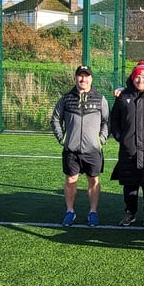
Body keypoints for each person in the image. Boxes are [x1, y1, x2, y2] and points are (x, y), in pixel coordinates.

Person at [50, 65, 109, 227]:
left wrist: (101, 140)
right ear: (75, 78)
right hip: (71, 150)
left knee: (93, 180)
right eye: (80, 76)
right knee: (70, 179)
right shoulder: (66, 98)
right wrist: (63, 139)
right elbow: (55, 120)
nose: (83, 79)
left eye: (86, 76)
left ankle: (93, 212)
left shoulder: (99, 98)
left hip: (93, 150)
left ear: (91, 79)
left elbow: (107, 122)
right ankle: (70, 211)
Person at [110, 61, 144, 227]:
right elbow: (114, 119)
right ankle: (130, 213)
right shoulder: (123, 97)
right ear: (132, 78)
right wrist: (120, 137)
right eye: (137, 76)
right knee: (130, 184)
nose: (141, 80)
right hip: (128, 149)